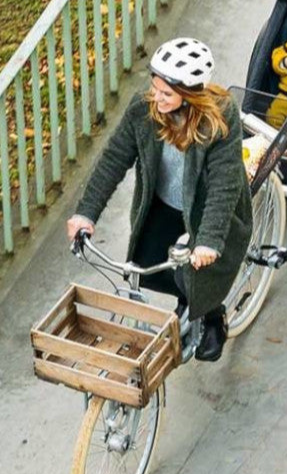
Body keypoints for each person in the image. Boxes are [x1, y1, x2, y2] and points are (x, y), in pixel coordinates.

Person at [66, 38, 253, 363]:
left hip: (205, 210)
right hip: (162, 205)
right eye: (155, 88)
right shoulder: (144, 110)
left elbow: (224, 185)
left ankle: (212, 317)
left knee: (199, 275)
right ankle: (189, 300)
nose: (157, 97)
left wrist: (208, 242)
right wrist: (86, 213)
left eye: (166, 93)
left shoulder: (220, 120)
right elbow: (114, 159)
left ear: (190, 94)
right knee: (148, 268)